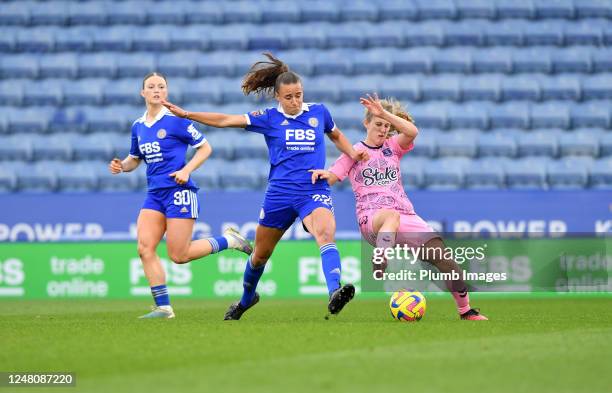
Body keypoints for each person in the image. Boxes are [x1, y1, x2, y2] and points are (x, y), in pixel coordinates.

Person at [161, 53, 369, 320]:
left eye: (299, 94)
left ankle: (334, 292)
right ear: (278, 97)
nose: (295, 101)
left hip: (312, 189)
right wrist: (187, 114)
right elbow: (226, 120)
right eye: (289, 97)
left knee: (326, 234)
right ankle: (247, 299)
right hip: (279, 195)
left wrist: (352, 153)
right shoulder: (269, 118)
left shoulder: (319, 112)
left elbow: (336, 135)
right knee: (259, 256)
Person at [309, 94, 488, 321]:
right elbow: (333, 175)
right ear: (366, 123)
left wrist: (385, 113)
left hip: (405, 215)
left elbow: (412, 132)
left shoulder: (392, 147)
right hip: (372, 218)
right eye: (378, 124)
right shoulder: (354, 152)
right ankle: (381, 255)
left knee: (445, 259)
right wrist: (324, 175)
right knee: (390, 217)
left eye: (386, 125)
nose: (383, 129)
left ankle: (466, 311)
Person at [108, 72, 253, 319]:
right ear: (143, 93)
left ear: (166, 92)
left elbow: (206, 148)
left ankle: (228, 240)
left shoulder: (176, 120)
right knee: (144, 248)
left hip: (179, 192)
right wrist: (121, 166)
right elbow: (135, 159)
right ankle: (164, 308)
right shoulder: (138, 126)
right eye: (151, 86)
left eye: (161, 86)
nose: (156, 90)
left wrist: (186, 170)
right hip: (154, 194)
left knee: (179, 255)